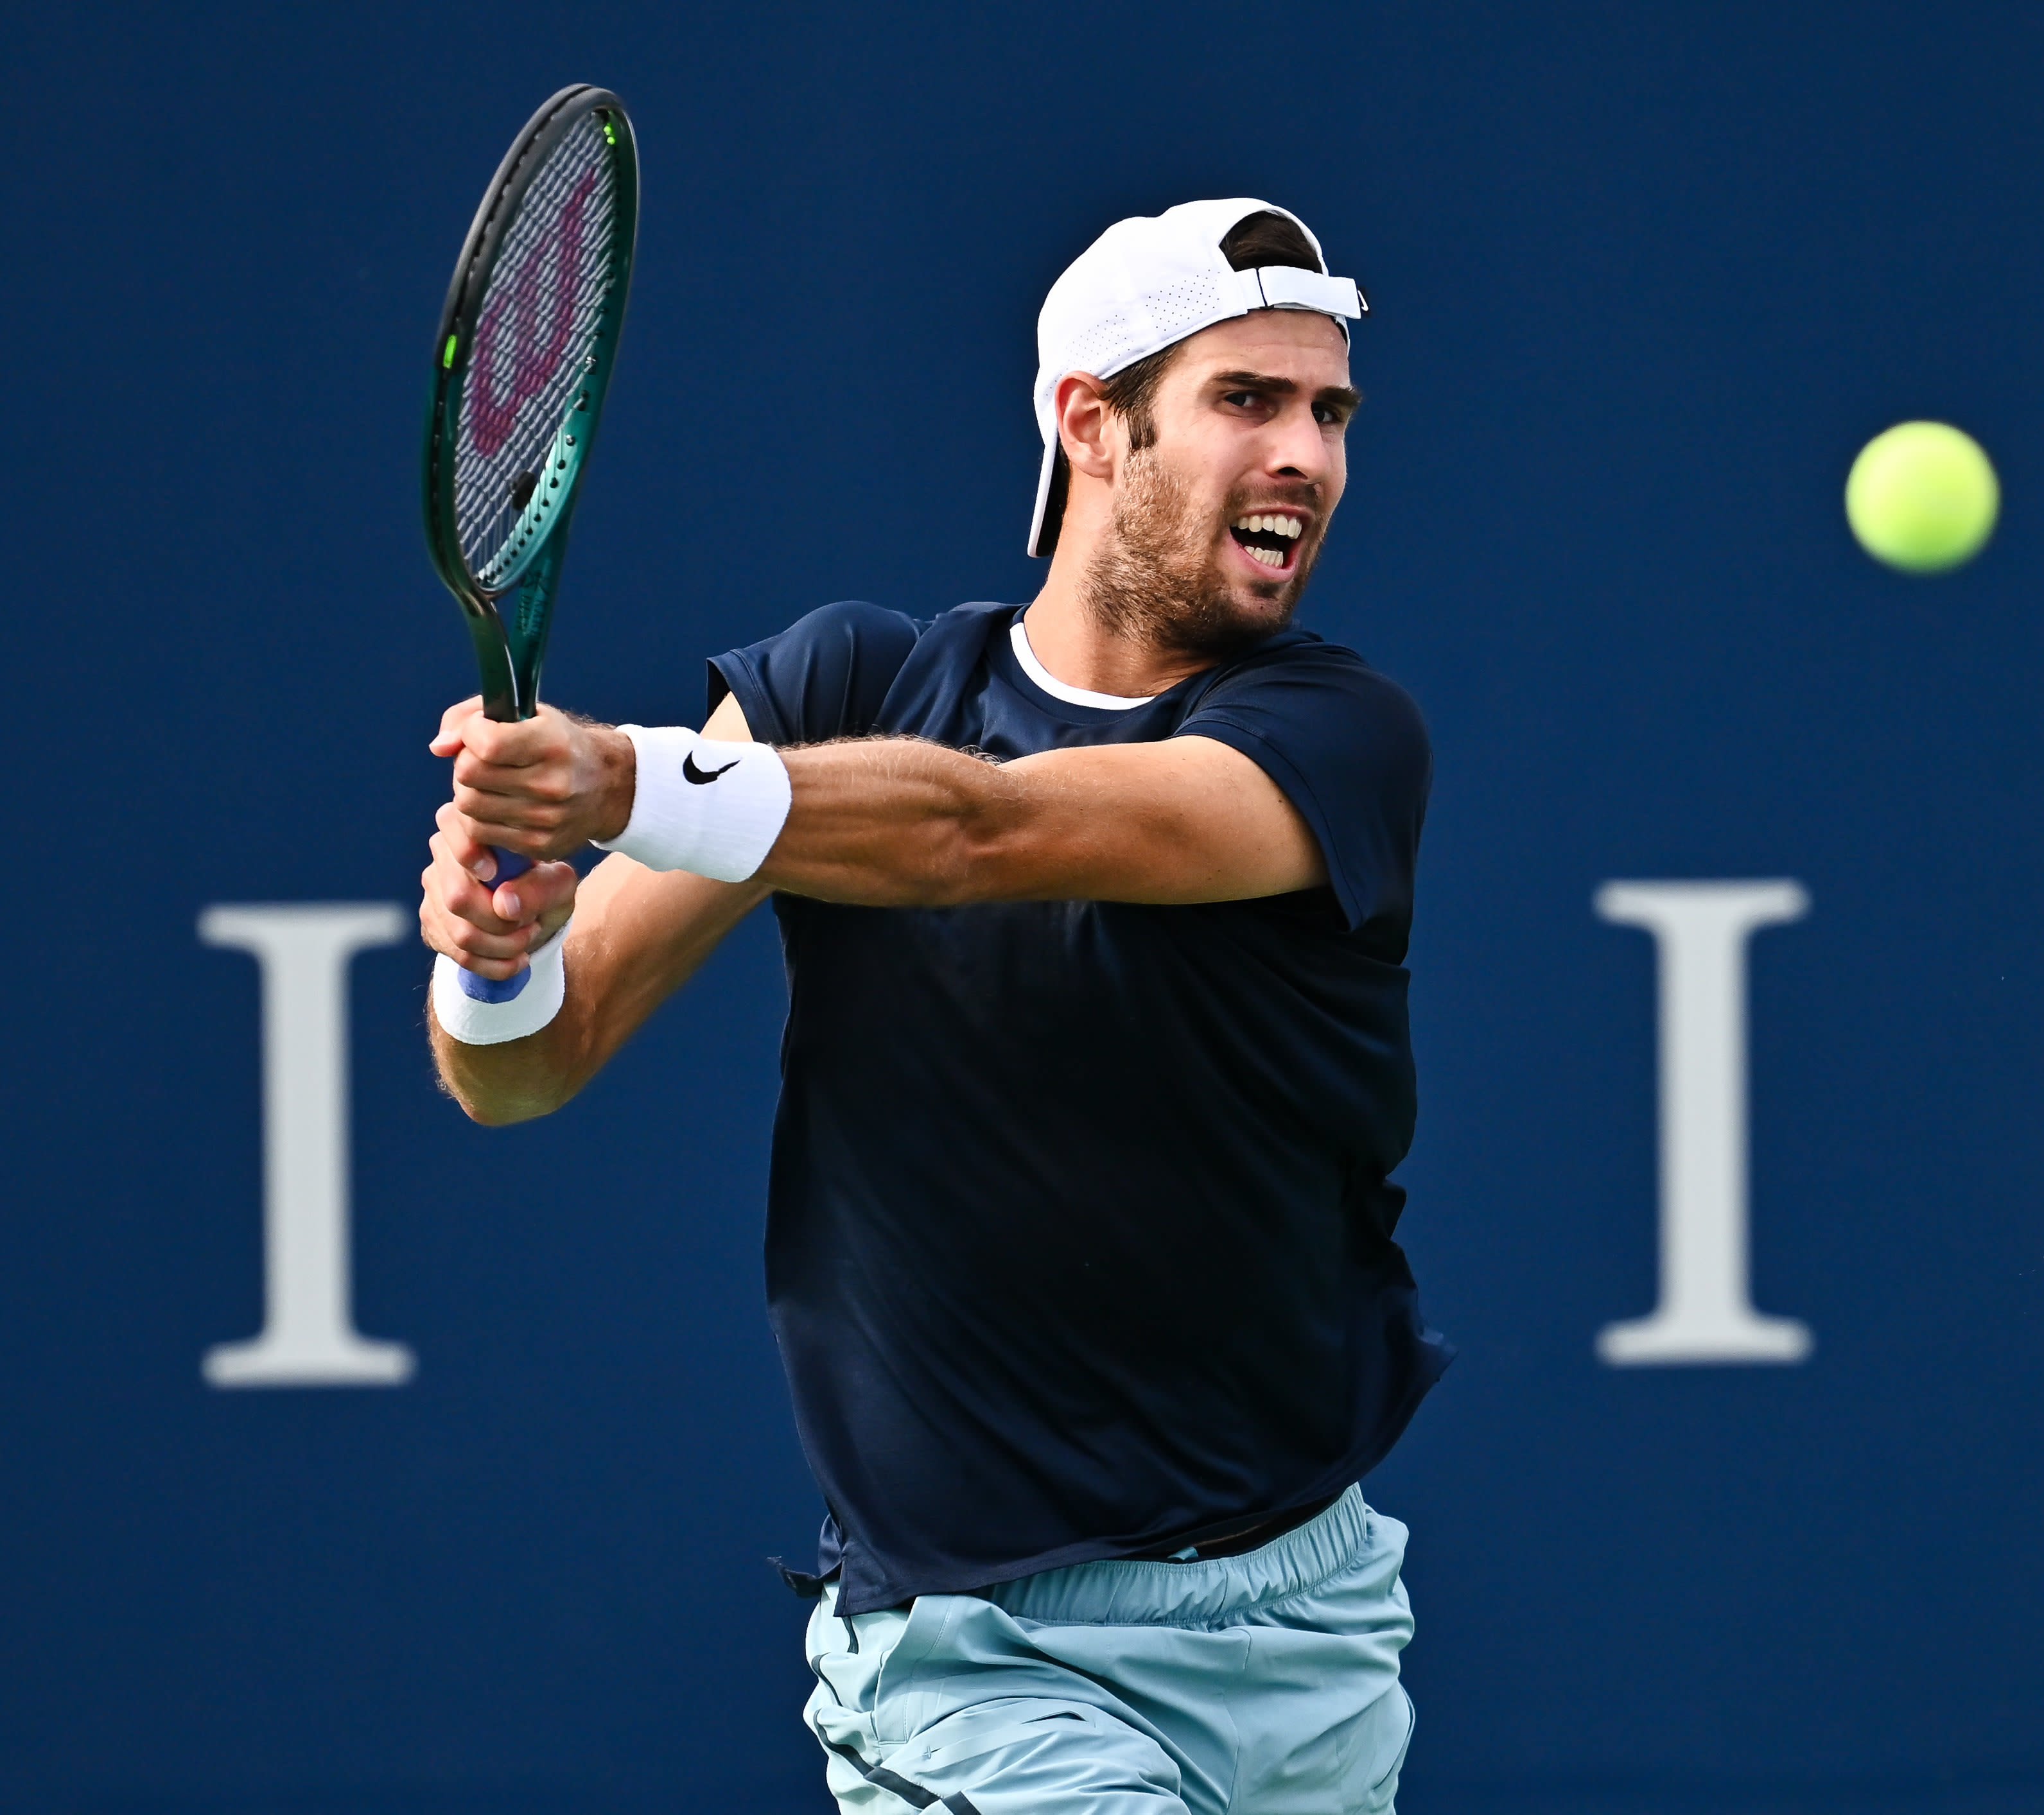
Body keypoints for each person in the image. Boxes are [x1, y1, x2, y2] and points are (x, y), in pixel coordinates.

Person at [417, 200, 1449, 1815]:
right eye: (1244, 401)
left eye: (1327, 412)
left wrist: (623, 777)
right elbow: (532, 1065)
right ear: (1089, 423)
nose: (1306, 456)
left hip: (1307, 1634)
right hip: (980, 1667)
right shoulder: (833, 693)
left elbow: (989, 831)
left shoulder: (1335, 737)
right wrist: (500, 955)